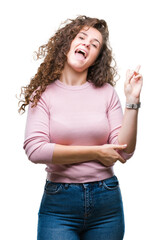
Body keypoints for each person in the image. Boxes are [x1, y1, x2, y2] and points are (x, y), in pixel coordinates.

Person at [19, 15, 143, 240]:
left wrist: (132, 101)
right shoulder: (43, 94)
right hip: (59, 205)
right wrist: (96, 152)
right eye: (82, 37)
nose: (87, 44)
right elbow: (35, 150)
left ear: (96, 58)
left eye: (95, 44)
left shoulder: (106, 93)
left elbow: (123, 150)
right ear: (67, 44)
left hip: (107, 203)